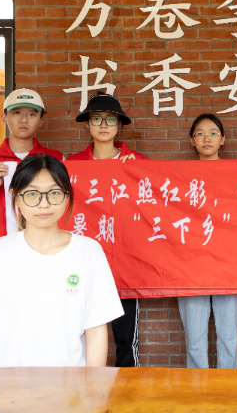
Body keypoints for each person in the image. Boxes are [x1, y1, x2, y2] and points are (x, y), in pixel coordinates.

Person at [0, 155, 124, 368]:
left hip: (69, 385)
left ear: (67, 196)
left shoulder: (89, 252)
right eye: (32, 194)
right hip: (0, 384)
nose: (44, 204)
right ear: (15, 196)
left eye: (54, 193)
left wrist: (93, 384)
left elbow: (96, 329)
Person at [66, 93, 147, 368]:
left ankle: (129, 388)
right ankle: (84, 388)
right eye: (96, 119)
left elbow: (151, 210)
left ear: (119, 125)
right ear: (87, 124)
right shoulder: (72, 166)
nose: (103, 125)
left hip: (127, 262)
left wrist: (134, 172)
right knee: (83, 333)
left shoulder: (138, 161)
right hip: (84, 262)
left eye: (110, 119)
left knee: (126, 338)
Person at [177, 113, 237, 369]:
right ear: (192, 140)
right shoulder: (178, 176)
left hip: (230, 266)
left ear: (223, 139)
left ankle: (227, 389)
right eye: (200, 134)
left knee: (229, 338)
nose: (207, 138)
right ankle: (197, 390)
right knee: (194, 339)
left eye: (213, 133)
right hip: (191, 265)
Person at [0, 88, 64, 244]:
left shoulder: (57, 159)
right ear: (4, 117)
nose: (24, 120)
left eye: (32, 114)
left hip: (47, 248)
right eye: (16, 113)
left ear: (41, 121)